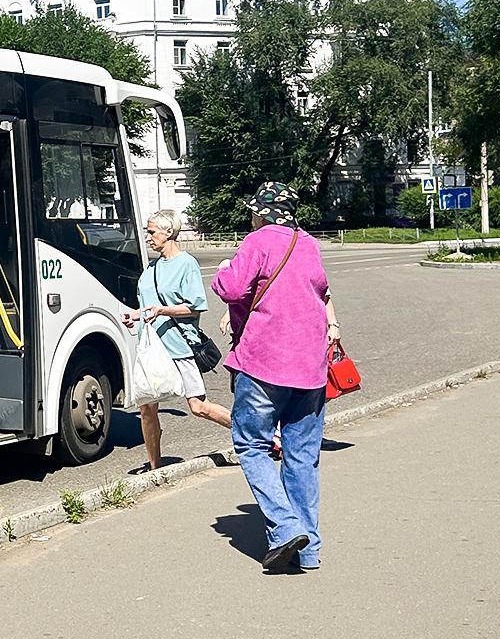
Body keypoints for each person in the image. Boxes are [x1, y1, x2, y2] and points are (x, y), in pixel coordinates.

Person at [211, 182, 338, 573]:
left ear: (260, 213)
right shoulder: (309, 243)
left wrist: (223, 271)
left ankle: (284, 527)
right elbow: (319, 291)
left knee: (251, 445)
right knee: (302, 458)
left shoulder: (257, 240)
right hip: (311, 367)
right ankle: (309, 551)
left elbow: (231, 288)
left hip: (266, 362)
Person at [123, 209, 230, 475]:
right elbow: (147, 306)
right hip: (151, 348)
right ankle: (155, 467)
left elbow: (194, 307)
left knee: (198, 406)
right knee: (147, 408)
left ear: (168, 232)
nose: (148, 238)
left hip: (179, 346)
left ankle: (259, 438)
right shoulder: (151, 268)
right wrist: (135, 315)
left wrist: (161, 310)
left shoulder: (186, 264)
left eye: (151, 232)